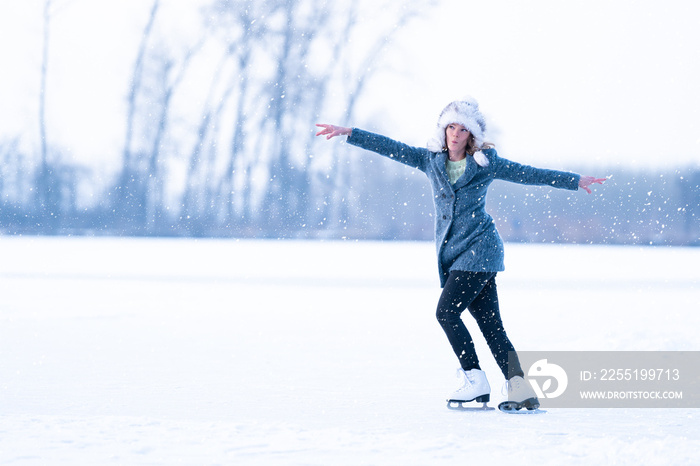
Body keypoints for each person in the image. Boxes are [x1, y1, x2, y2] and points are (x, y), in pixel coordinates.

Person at [315, 97, 605, 411]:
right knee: (492, 326)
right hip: (457, 254)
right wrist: (351, 133)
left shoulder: (486, 164)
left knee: (446, 312)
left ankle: (475, 379)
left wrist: (574, 181)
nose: (455, 133)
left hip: (481, 249)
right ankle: (520, 388)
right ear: (443, 130)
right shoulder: (430, 160)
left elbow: (528, 174)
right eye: (450, 126)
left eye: (462, 128)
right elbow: (391, 147)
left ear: (472, 135)